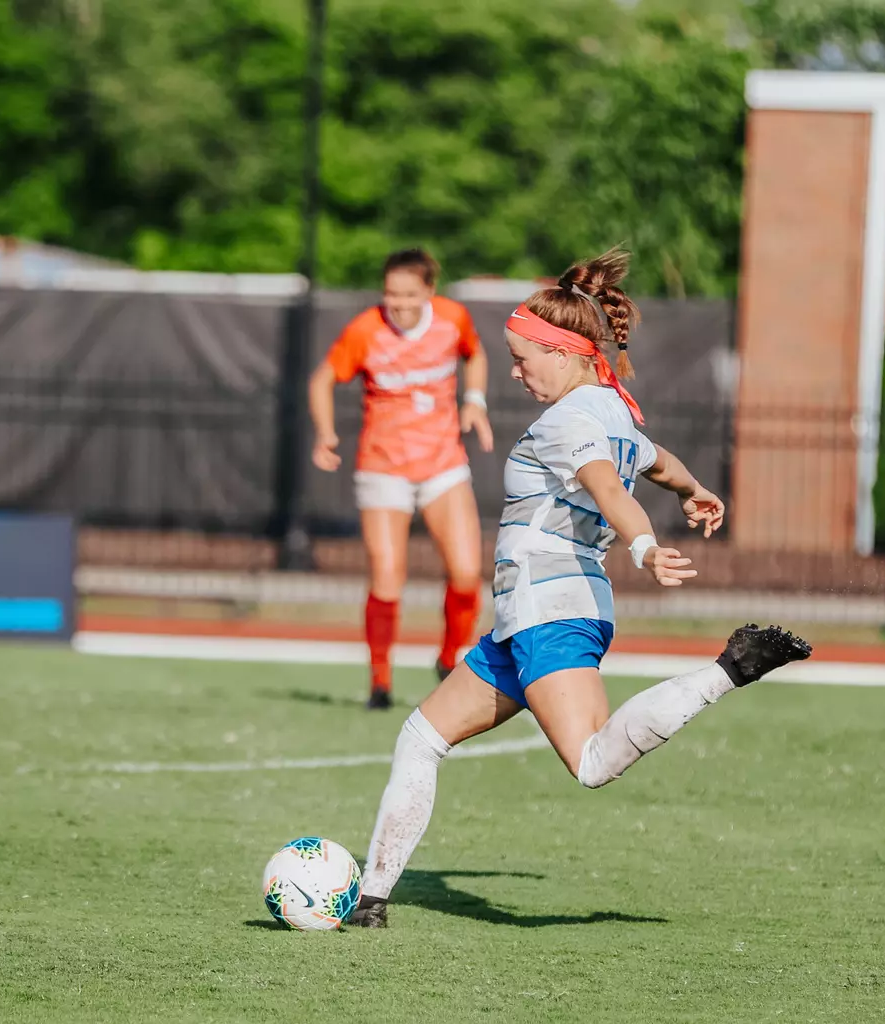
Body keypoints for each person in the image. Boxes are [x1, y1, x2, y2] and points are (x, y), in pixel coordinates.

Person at [342, 249, 812, 929]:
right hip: (530, 618)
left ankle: (729, 670)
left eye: (522, 358)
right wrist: (694, 489)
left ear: (565, 354)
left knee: (592, 762)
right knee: (420, 737)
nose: (513, 371)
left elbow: (606, 485)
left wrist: (646, 545)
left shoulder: (568, 422)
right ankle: (372, 901)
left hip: (545, 611)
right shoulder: (611, 409)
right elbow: (655, 461)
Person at [310, 248, 495, 711]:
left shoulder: (452, 319)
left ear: (429, 291)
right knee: (388, 577)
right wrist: (326, 433)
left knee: (467, 572)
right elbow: (321, 380)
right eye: (391, 293)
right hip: (383, 468)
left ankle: (450, 657)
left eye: (410, 294)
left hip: (442, 465)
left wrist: (475, 400)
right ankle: (380, 681)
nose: (399, 303)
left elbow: (476, 355)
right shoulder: (366, 330)